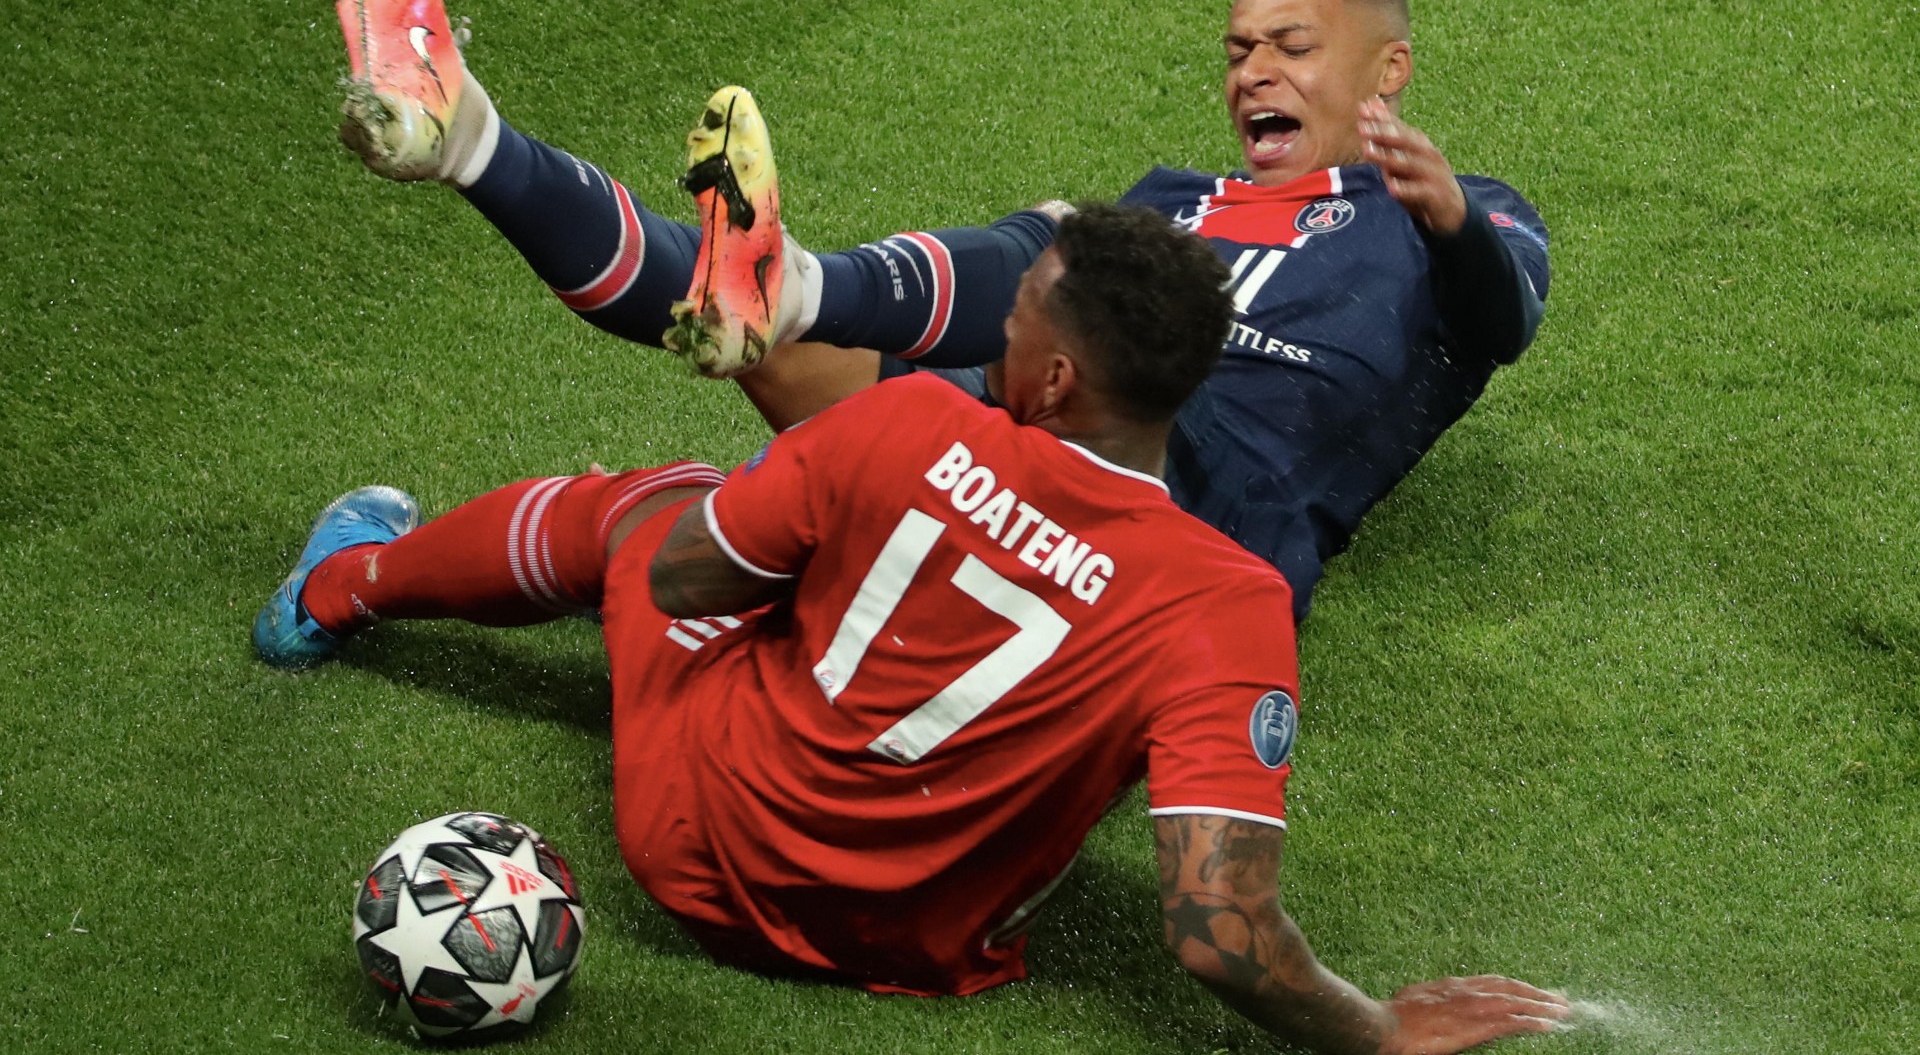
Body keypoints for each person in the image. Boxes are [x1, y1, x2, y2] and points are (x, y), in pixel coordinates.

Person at [254, 190, 1567, 1050]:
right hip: (919, 943)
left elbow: (686, 587)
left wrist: (848, 542)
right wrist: (1376, 1034)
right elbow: (1216, 927)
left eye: (1014, 316)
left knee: (654, 507)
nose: (994, 330)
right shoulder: (1231, 605)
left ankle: (334, 588)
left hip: (699, 851)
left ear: (1054, 375)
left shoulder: (912, 421)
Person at [322, 0, 1551, 623]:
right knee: (768, 320)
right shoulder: (1182, 198)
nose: (1254, 72)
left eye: (1292, 46)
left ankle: (791, 295)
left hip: (1200, 502)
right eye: (1238, 51)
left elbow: (1503, 324)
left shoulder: (1462, 213)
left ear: (1389, 67)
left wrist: (1448, 218)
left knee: (689, 509)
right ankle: (465, 137)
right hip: (1027, 424)